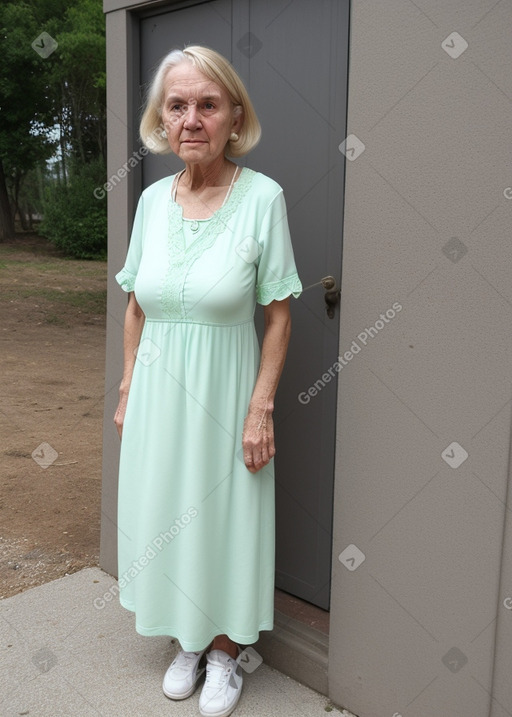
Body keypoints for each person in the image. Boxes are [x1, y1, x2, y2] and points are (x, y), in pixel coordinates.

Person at [114, 45, 302, 717]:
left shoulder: (263, 200)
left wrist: (261, 408)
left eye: (208, 105)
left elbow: (279, 314)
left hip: (227, 395)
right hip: (160, 394)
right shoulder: (150, 202)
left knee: (223, 518)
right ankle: (187, 641)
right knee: (168, 511)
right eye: (177, 105)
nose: (191, 119)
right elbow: (136, 303)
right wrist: (129, 386)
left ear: (233, 116)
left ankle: (224, 651)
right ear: (161, 120)